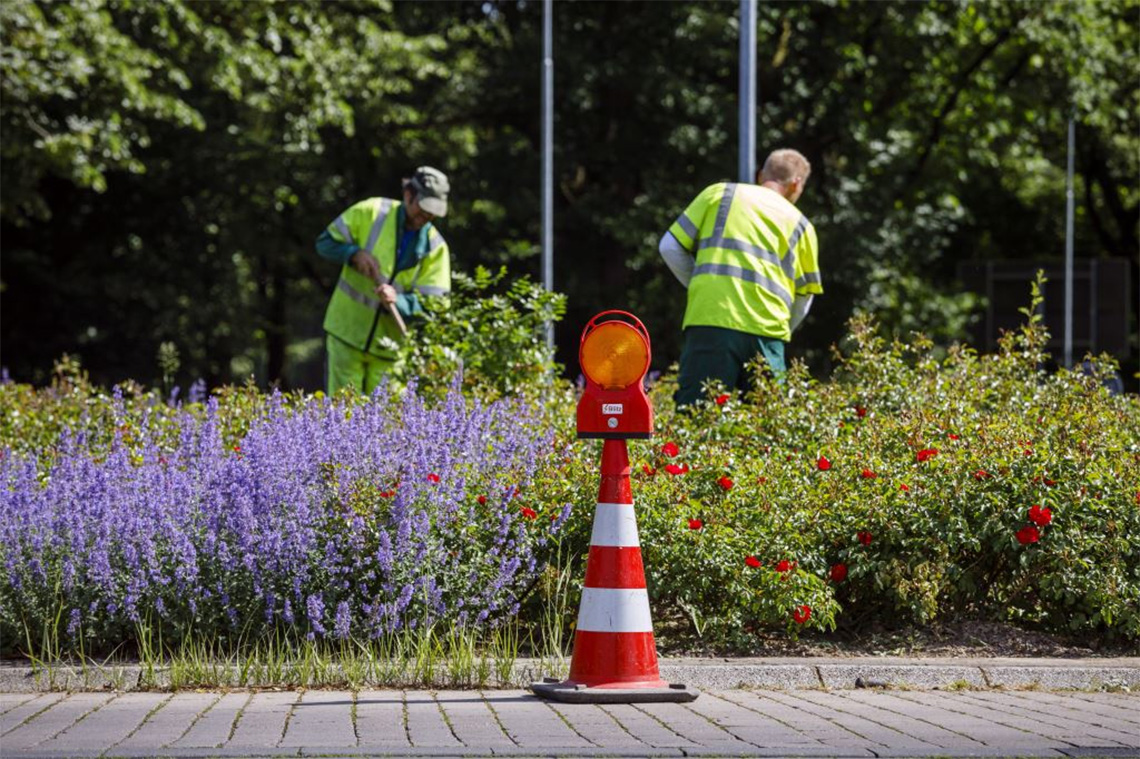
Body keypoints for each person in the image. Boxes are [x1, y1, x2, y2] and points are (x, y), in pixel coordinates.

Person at [659, 148, 821, 407]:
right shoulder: (802, 225)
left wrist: (701, 284)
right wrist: (781, 330)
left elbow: (669, 247)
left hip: (711, 320)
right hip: (767, 335)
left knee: (697, 419)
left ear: (760, 175)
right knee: (765, 433)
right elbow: (804, 297)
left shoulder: (720, 194)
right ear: (796, 183)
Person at [316, 166, 451, 395]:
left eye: (433, 212)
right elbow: (325, 243)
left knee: (386, 423)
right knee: (343, 418)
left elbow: (437, 304)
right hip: (347, 335)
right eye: (424, 208)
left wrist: (400, 301)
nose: (426, 217)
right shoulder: (371, 212)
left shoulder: (435, 247)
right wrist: (353, 254)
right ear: (409, 195)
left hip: (391, 349)